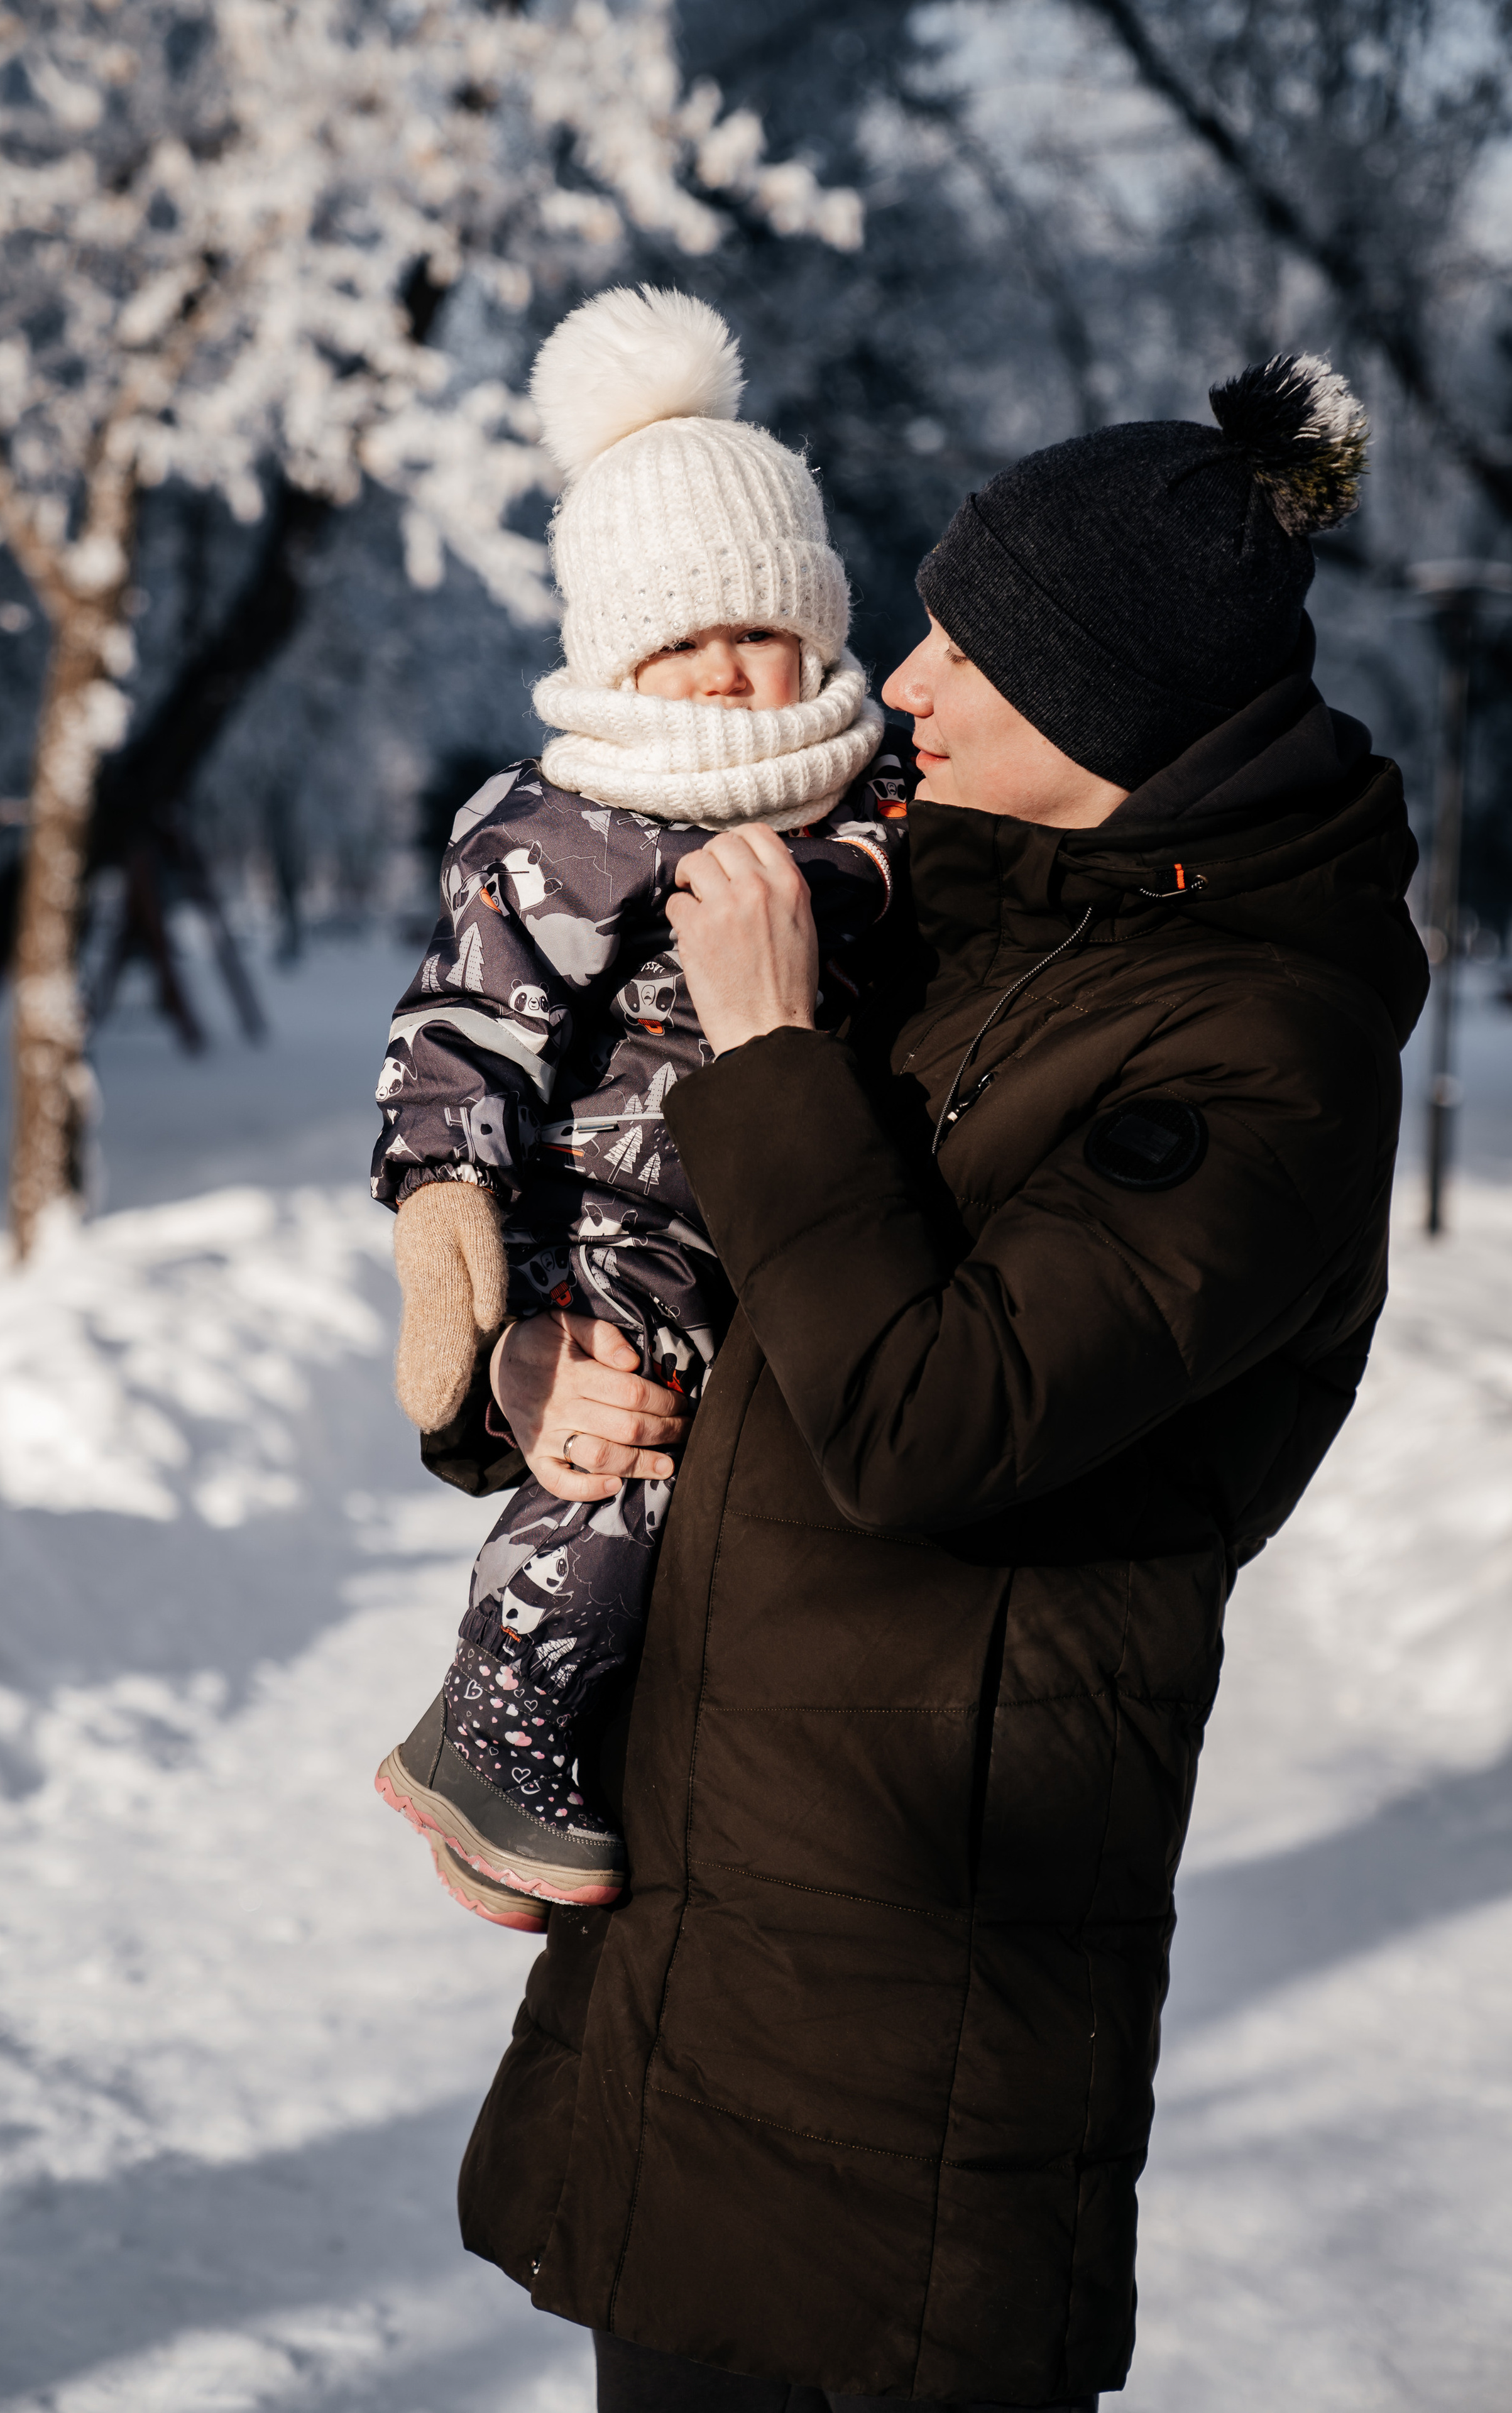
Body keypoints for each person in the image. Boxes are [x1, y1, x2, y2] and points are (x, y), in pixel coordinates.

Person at [449, 353, 1430, 2409]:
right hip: (720, 1903)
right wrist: (530, 1371)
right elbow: (715, 1262)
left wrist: (779, 1050)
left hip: (916, 1991)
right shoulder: (978, 921)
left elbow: (925, 1423)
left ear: (1108, 717)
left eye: (967, 651)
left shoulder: (1263, 1056)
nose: (900, 685)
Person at [369, 287, 910, 1930]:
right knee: (623, 1461)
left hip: (779, 1210)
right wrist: (443, 1204)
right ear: (618, 659)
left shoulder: (880, 785)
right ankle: (500, 1713)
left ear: (814, 625)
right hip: (610, 1223)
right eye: (679, 643)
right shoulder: (574, 823)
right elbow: (464, 1022)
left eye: (755, 630)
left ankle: (580, 1730)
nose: (729, 678)